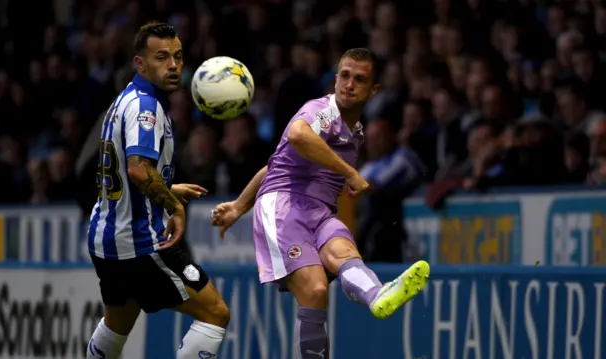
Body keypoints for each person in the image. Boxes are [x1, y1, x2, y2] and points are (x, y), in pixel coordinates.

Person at [211, 48, 430, 359]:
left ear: (373, 90)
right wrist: (349, 172)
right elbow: (299, 135)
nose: (349, 84)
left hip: (321, 211)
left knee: (345, 253)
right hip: (284, 206)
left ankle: (378, 295)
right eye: (344, 75)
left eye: (359, 79)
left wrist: (236, 206)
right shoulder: (320, 110)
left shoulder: (355, 134)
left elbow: (274, 162)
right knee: (315, 290)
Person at [86, 22, 229, 359]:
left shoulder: (125, 100)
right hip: (139, 241)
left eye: (178, 57)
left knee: (117, 323)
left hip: (106, 238)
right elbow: (138, 169)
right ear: (140, 63)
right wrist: (174, 206)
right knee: (216, 313)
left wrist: (167, 186)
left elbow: (126, 168)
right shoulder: (146, 107)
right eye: (162, 57)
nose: (173, 65)